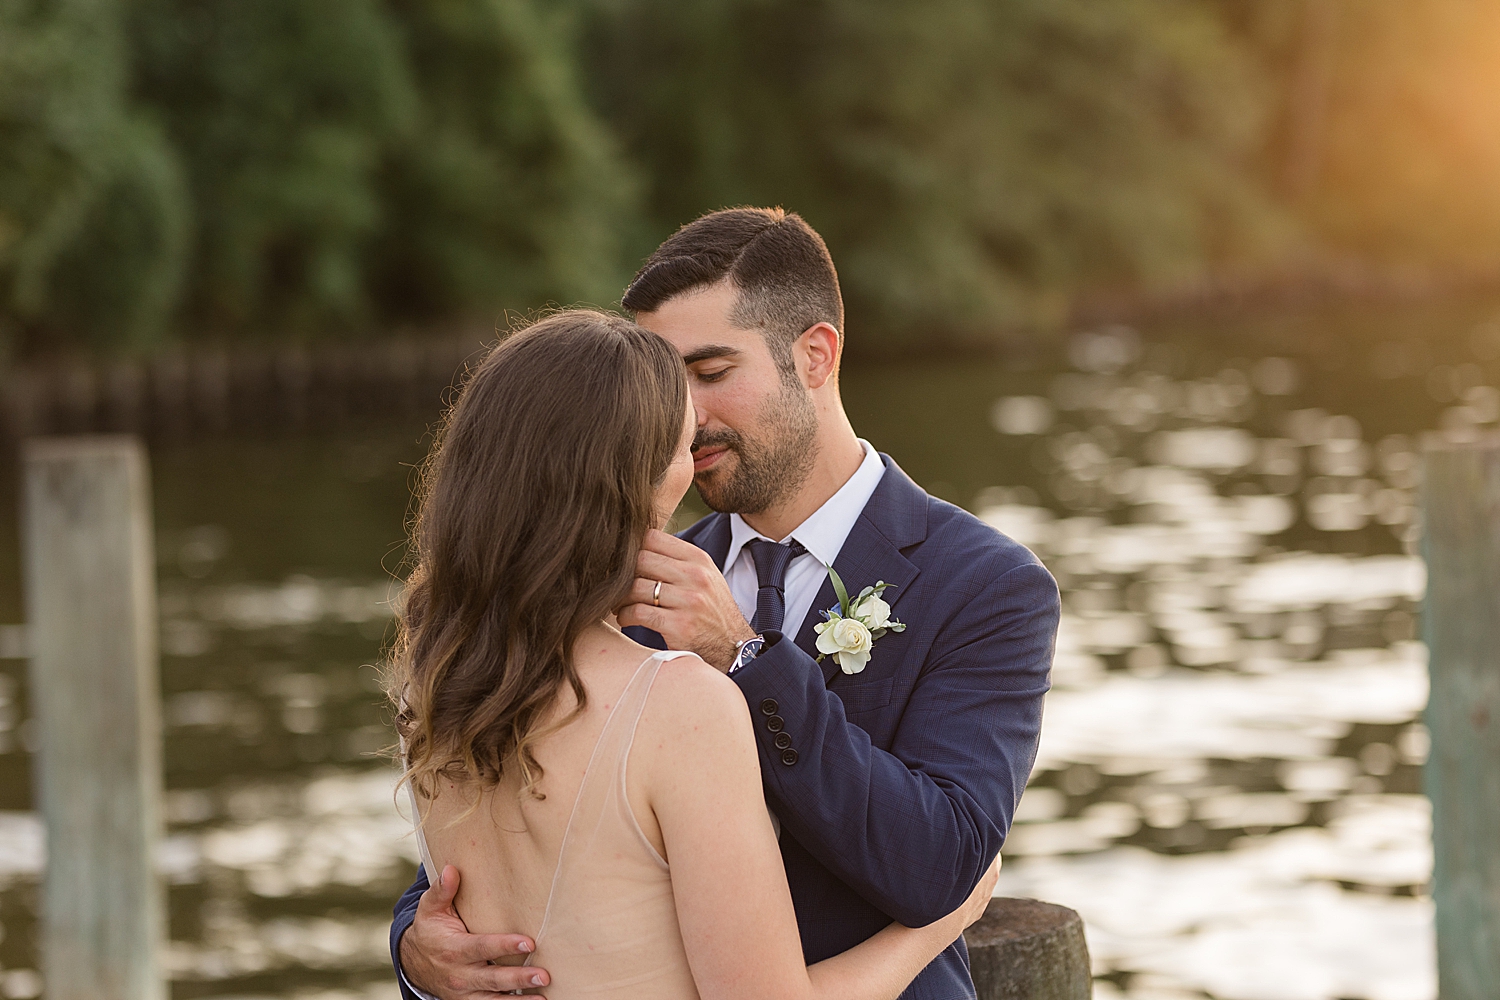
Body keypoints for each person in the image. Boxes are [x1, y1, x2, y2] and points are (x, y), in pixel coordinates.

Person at [392, 209, 1059, 1000]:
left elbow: (941, 868)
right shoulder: (616, 578)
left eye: (710, 374)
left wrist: (745, 657)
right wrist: (414, 943)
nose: (687, 418)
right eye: (664, 387)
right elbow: (519, 806)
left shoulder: (984, 584)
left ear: (815, 356)